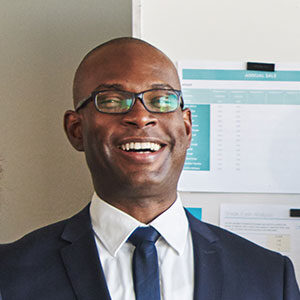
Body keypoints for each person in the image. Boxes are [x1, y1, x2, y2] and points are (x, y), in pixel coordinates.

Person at [0, 37, 299, 300]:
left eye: (161, 99)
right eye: (113, 101)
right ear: (76, 130)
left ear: (186, 127)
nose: (141, 117)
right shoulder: (11, 273)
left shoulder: (270, 277)